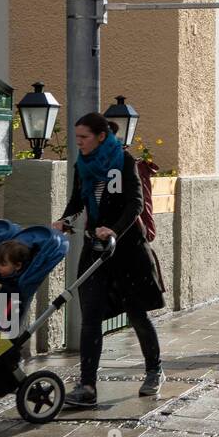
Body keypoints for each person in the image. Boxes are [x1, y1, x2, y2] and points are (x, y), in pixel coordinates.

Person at [55, 113, 165, 408]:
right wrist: (64, 221)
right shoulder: (83, 165)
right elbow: (78, 199)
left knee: (137, 313)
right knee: (90, 316)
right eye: (76, 137)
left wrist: (113, 229)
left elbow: (135, 203)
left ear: (101, 136)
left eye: (84, 137)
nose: (78, 142)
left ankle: (154, 369)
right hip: (95, 249)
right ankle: (87, 385)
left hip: (126, 249)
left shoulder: (125, 162)